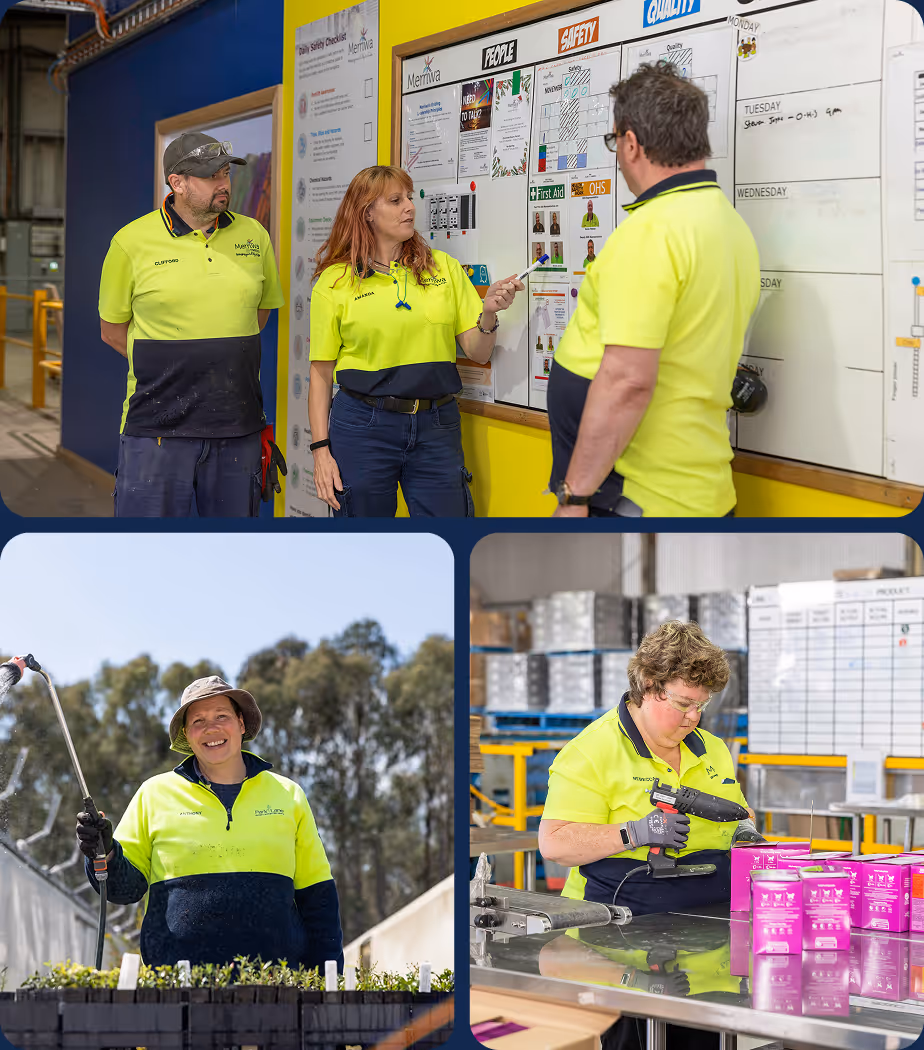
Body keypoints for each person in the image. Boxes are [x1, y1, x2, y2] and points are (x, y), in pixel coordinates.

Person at [547, 62, 760, 518]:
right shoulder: (728, 223)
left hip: (639, 500)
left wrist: (576, 495)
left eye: (614, 143)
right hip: (694, 491)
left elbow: (627, 380)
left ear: (630, 144)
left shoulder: (652, 230)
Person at [76, 676, 343, 969]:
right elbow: (121, 889)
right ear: (187, 736)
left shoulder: (289, 795)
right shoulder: (153, 794)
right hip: (177, 990)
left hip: (277, 990)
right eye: (198, 721)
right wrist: (105, 852)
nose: (211, 728)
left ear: (241, 724)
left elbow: (319, 902)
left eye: (221, 716)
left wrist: (327, 986)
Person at [308, 165, 523, 517]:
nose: (410, 206)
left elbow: (478, 352)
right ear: (367, 213)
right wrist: (320, 450)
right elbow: (320, 373)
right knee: (364, 549)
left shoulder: (443, 268)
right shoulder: (335, 282)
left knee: (447, 537)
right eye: (396, 200)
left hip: (436, 425)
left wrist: (488, 314)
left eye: (409, 197)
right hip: (364, 426)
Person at [98, 133, 286, 518]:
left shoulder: (255, 236)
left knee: (231, 558)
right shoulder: (130, 242)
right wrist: (179, 366)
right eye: (210, 176)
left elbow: (259, 315)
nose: (223, 184)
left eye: (225, 174)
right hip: (157, 430)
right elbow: (113, 331)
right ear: (177, 183)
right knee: (149, 558)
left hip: (238, 426)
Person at [538, 621, 762, 917]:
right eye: (683, 704)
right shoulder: (591, 751)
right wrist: (634, 833)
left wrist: (745, 830)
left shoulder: (713, 749)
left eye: (702, 705)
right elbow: (555, 843)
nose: (694, 717)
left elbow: (740, 812)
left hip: (709, 921)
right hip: (613, 928)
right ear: (647, 685)